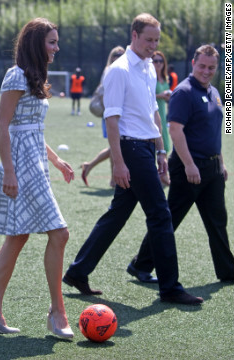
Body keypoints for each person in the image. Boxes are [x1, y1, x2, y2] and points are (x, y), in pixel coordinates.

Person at [63, 13, 203, 305]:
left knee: (118, 213)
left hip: (146, 149)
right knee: (160, 214)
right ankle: (170, 288)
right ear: (134, 35)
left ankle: (78, 271)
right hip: (130, 150)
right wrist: (118, 163)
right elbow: (111, 119)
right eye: (149, 39)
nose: (153, 45)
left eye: (157, 40)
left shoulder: (149, 69)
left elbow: (151, 111)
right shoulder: (119, 70)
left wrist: (162, 149)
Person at [0, 18, 75, 338]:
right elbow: (2, 126)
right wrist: (9, 170)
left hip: (37, 162)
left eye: (57, 42)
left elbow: (31, 127)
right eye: (52, 42)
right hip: (20, 165)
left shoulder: (36, 77)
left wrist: (57, 159)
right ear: (36, 43)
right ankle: (57, 312)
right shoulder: (15, 75)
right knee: (59, 234)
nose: (56, 48)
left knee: (17, 237)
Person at [128, 45, 234, 283]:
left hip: (212, 168)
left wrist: (221, 162)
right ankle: (140, 264)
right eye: (202, 66)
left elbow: (213, 132)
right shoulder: (183, 92)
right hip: (189, 168)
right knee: (170, 219)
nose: (206, 71)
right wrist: (189, 165)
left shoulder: (215, 92)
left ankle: (227, 270)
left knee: (218, 220)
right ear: (193, 63)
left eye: (211, 67)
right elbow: (175, 131)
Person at [80, 46, 125, 188]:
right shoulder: (110, 70)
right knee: (115, 146)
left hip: (117, 113)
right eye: (115, 54)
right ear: (111, 57)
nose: (118, 57)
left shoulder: (120, 69)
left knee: (114, 147)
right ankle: (113, 179)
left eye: (121, 54)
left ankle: (89, 166)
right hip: (111, 113)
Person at [152, 51, 171, 153]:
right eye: (155, 61)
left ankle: (164, 168)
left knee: (165, 144)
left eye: (161, 61)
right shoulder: (150, 77)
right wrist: (160, 96)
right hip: (153, 113)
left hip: (162, 112)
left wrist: (167, 97)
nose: (158, 63)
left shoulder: (165, 77)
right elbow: (145, 96)